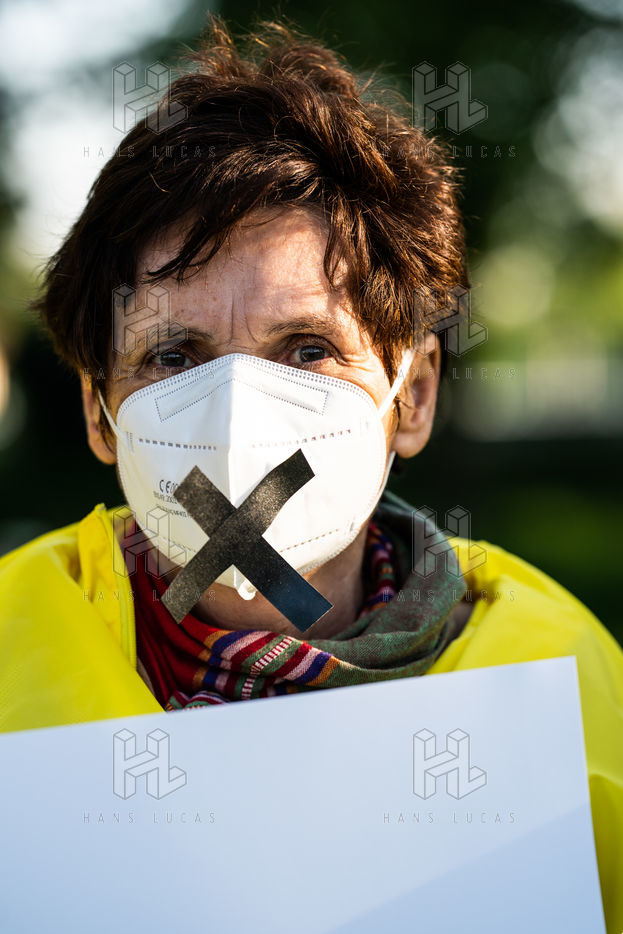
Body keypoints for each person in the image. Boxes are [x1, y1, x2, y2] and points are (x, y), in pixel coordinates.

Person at [0, 14, 621, 931]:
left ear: (411, 396)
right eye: (174, 355)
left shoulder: (567, 675)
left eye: (306, 349)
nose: (236, 413)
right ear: (100, 410)